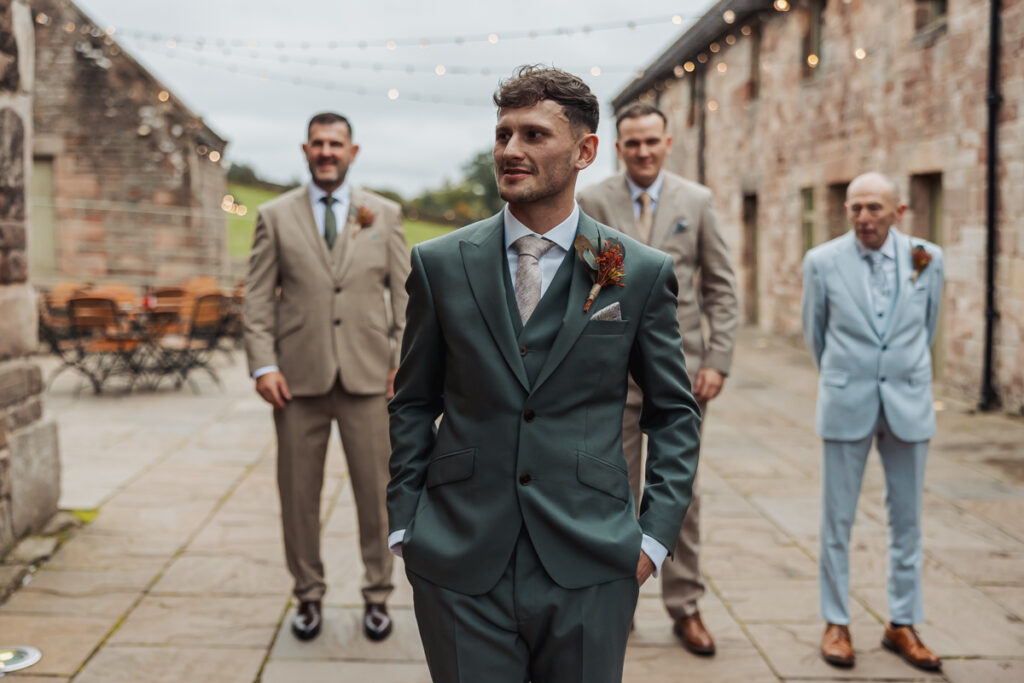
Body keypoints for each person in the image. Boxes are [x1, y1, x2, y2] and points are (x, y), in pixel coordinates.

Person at [387, 66, 702, 682]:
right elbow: (413, 400)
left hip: (592, 559)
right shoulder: (439, 264)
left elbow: (673, 414)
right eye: (503, 134)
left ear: (585, 151)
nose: (510, 150)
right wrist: (406, 525)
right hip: (458, 558)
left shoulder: (636, 271)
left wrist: (653, 540)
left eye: (533, 135)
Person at [243, 112, 410, 642]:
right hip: (296, 382)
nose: (326, 152)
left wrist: (403, 363)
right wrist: (264, 365)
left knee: (378, 496)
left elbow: (406, 298)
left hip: (371, 379)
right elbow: (256, 299)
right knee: (298, 497)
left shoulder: (384, 213)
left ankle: (378, 594)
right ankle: (308, 595)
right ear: (305, 149)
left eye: (336, 144)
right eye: (318, 143)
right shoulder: (274, 215)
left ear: (352, 152)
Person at [578, 103, 738, 655]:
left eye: (652, 141)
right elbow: (578, 287)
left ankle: (685, 604)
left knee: (679, 490)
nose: (643, 151)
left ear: (667, 143)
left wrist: (717, 359)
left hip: (682, 373)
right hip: (611, 375)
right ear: (618, 147)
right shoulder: (592, 201)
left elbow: (720, 286)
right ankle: (615, 601)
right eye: (633, 143)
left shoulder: (697, 201)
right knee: (612, 490)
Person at [801, 172, 944, 671]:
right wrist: (847, 377)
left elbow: (928, 327)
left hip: (909, 401)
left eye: (874, 208)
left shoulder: (928, 257)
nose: (863, 217)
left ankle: (902, 622)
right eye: (855, 208)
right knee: (836, 520)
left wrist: (901, 372)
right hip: (847, 401)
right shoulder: (821, 262)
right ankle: (836, 621)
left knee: (907, 521)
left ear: (898, 211)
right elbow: (815, 334)